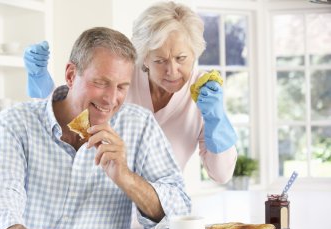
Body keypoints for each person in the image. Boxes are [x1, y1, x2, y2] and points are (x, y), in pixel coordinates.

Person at [0, 27, 191, 229]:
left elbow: (180, 209)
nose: (111, 99)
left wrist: (125, 177)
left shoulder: (139, 125)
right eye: (101, 82)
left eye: (121, 87)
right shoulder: (16, 123)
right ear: (71, 75)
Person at [24, 1, 237, 184]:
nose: (172, 71)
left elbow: (221, 175)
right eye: (159, 60)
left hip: (158, 216)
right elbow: (71, 115)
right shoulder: (122, 77)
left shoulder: (205, 92)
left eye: (181, 58)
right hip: (100, 213)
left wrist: (216, 120)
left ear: (195, 53)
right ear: (143, 57)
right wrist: (41, 84)